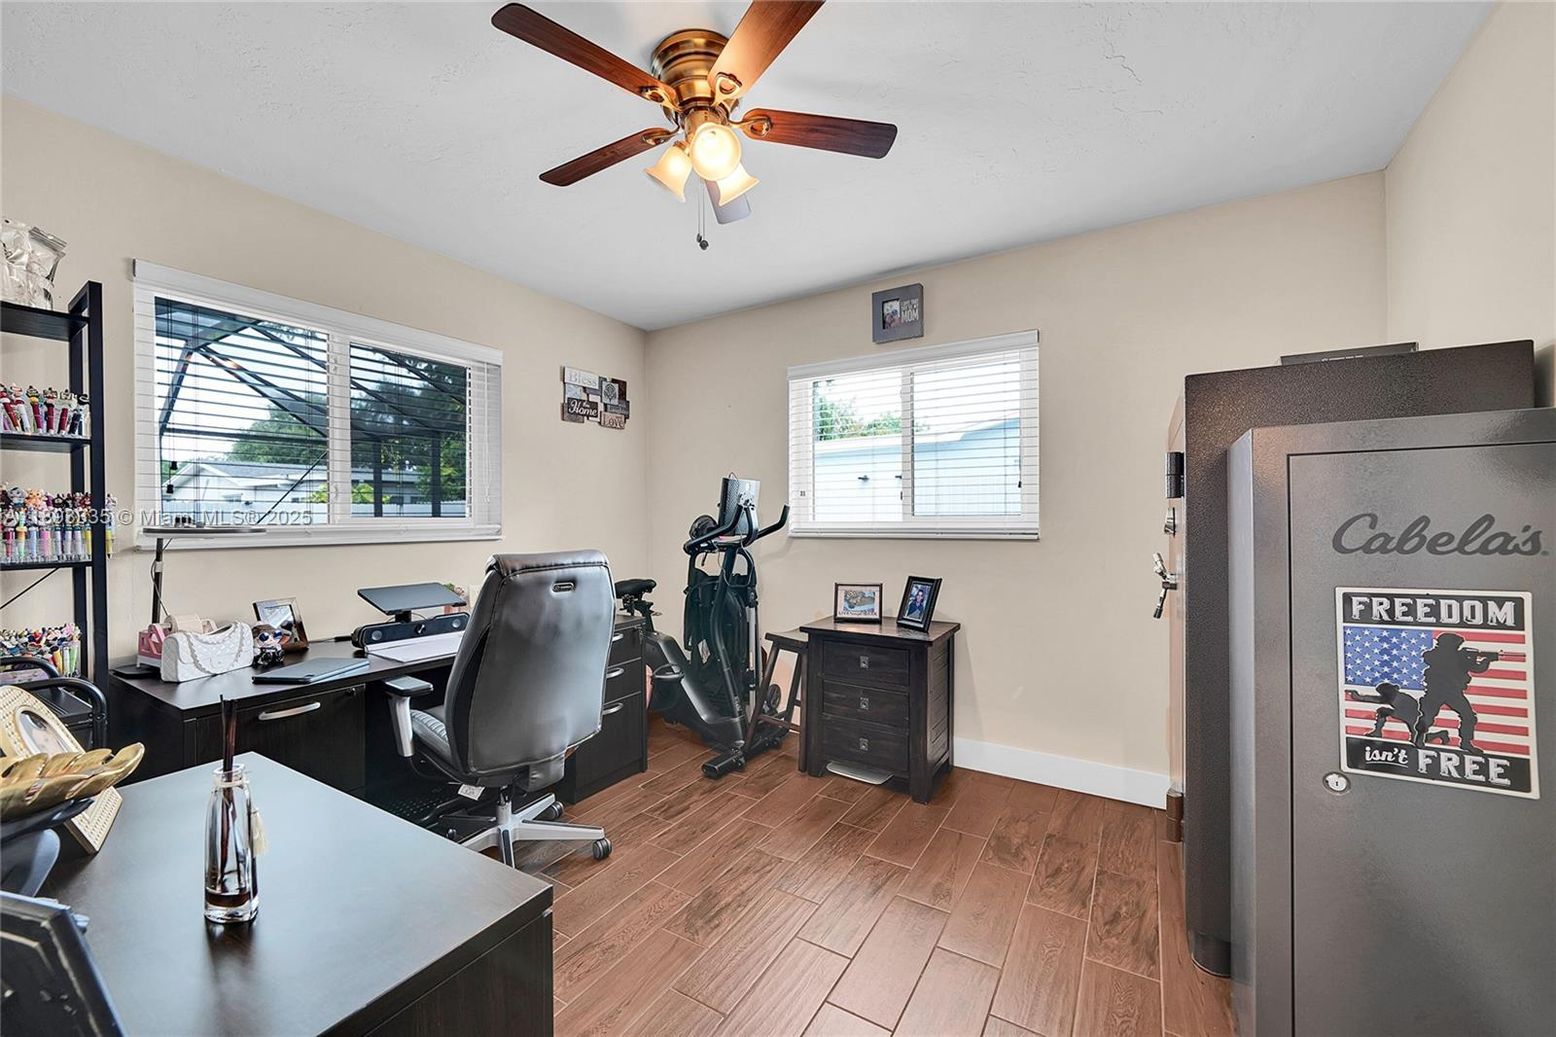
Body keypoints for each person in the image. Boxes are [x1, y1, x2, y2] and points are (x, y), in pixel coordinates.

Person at [1414, 633, 1497, 753]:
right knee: (1430, 716)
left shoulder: (1440, 655)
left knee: (1466, 716)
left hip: (1446, 691)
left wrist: (1478, 658)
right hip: (1442, 691)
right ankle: (1421, 737)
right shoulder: (1448, 656)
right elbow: (1477, 668)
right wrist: (1483, 660)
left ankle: (1465, 742)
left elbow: (1475, 668)